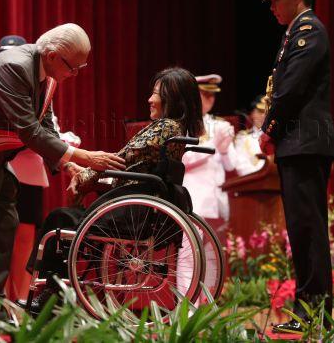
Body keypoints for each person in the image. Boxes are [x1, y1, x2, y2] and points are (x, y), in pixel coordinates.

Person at [0, 23, 126, 322]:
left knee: (7, 221)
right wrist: (85, 156)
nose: (76, 74)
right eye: (74, 67)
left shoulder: (47, 73)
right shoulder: (14, 66)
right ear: (54, 55)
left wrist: (69, 163)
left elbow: (45, 125)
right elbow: (28, 129)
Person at [23, 67, 204, 312]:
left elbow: (122, 159)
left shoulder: (166, 127)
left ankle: (47, 297)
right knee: (66, 219)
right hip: (135, 206)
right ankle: (55, 294)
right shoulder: (174, 130)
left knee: (59, 219)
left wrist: (86, 176)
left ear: (172, 97)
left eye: (155, 94)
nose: (149, 100)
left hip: (131, 213)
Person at [258, 0, 334, 333]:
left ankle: (315, 317)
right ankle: (308, 314)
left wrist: (269, 128)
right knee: (302, 232)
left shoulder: (309, 30)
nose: (272, 7)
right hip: (298, 144)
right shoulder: (294, 32)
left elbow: (289, 88)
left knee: (308, 232)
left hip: (305, 143)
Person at [0, 35, 82, 301]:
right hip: (0, 168)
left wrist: (67, 156)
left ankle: (19, 299)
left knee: (25, 240)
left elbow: (47, 128)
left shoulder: (44, 84)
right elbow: (25, 130)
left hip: (30, 173)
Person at [181, 74, 241, 230]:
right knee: (191, 252)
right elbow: (184, 159)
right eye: (205, 94)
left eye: (212, 94)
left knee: (215, 254)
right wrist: (214, 144)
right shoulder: (182, 124)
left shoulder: (220, 124)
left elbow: (230, 166)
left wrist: (224, 151)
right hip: (195, 196)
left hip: (218, 200)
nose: (210, 99)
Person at [234, 95, 267, 174]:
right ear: (252, 114)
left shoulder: (277, 137)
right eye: (260, 111)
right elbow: (241, 167)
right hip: (253, 181)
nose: (263, 115)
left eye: (266, 112)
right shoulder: (242, 138)